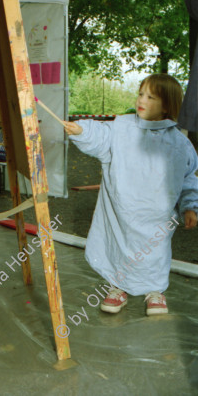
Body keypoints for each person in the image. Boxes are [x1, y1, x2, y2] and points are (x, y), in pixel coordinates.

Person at [64, 74, 198, 315]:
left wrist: (190, 206)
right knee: (119, 247)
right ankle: (118, 287)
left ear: (167, 105)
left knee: (154, 251)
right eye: (140, 93)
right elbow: (101, 135)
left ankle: (155, 290)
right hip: (122, 211)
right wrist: (82, 130)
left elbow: (187, 177)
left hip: (156, 217)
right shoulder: (122, 127)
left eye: (151, 97)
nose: (142, 100)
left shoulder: (179, 143)